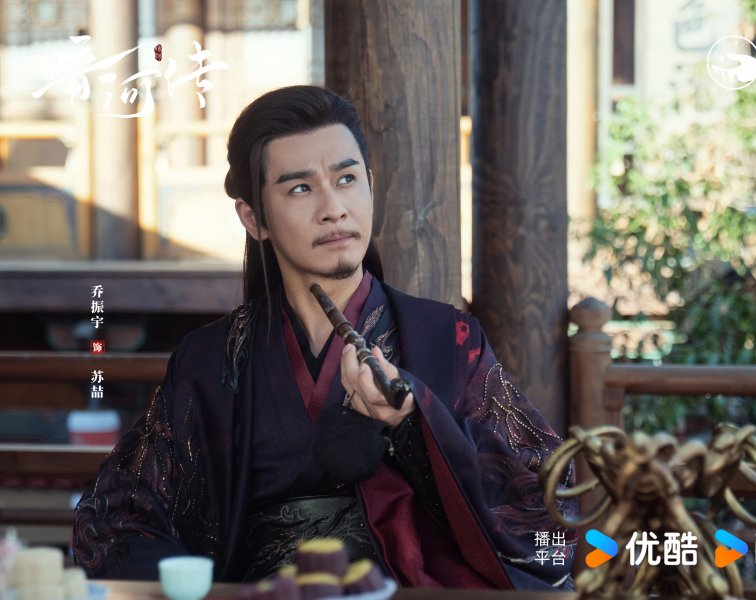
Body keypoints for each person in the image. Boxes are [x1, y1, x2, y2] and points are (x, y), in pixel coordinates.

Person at [72, 86, 576, 589]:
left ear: (370, 185)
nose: (334, 208)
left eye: (346, 179)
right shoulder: (208, 361)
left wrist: (412, 423)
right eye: (300, 188)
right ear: (254, 218)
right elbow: (119, 518)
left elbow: (545, 501)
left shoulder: (448, 338)